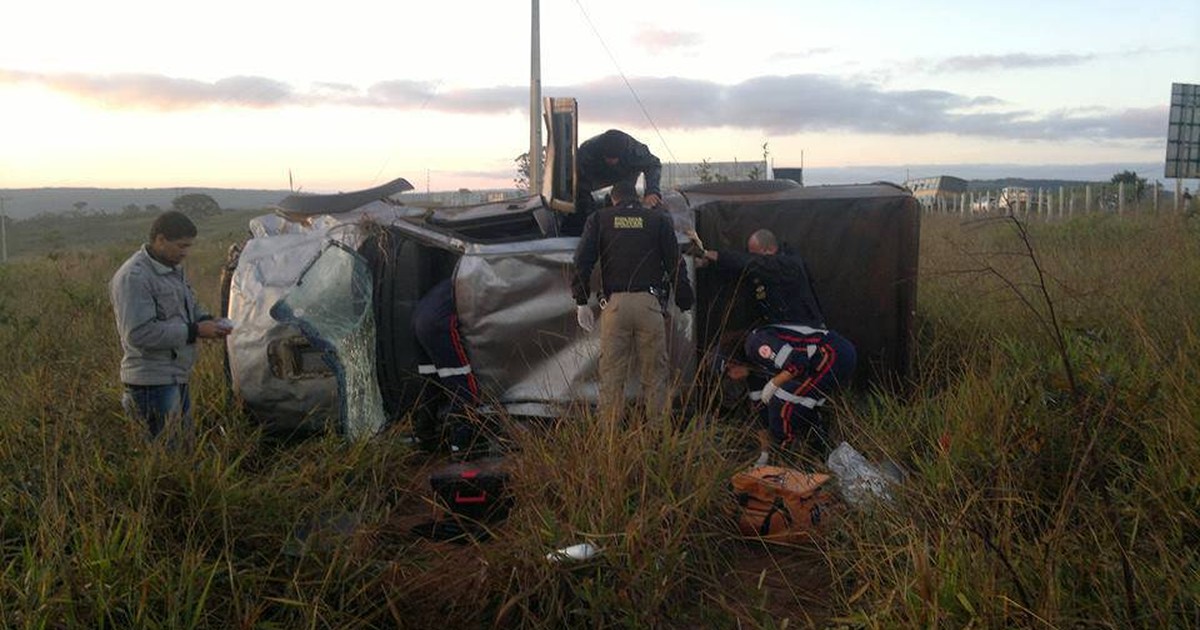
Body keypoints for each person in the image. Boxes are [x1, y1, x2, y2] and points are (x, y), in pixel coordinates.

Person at [572, 180, 692, 420]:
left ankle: (609, 443)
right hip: (650, 305)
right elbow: (675, 265)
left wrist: (581, 301)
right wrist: (685, 304)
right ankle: (658, 438)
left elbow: (581, 261)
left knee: (611, 378)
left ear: (613, 199)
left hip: (615, 307)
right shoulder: (658, 220)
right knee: (655, 378)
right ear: (636, 198)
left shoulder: (599, 219)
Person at [110, 210, 231, 445]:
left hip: (176, 375)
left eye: (189, 247)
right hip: (152, 384)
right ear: (160, 239)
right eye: (181, 246)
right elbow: (139, 334)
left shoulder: (171, 268)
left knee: (183, 451)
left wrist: (208, 320)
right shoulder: (134, 277)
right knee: (165, 458)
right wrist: (195, 331)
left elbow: (188, 304)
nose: (185, 253)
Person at [718, 324, 856, 456]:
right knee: (802, 405)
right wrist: (764, 453)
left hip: (831, 352)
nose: (733, 377)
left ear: (733, 362)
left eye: (729, 371)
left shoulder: (756, 344)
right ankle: (823, 453)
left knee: (783, 401)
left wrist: (774, 383)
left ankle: (785, 455)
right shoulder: (753, 370)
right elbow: (760, 412)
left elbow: (797, 363)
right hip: (822, 359)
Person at [697, 228, 825, 329]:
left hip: (807, 329)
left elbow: (752, 263)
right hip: (783, 328)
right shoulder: (765, 267)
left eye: (755, 254)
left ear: (768, 250)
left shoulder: (788, 264)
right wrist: (708, 263)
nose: (752, 257)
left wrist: (710, 254)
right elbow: (741, 267)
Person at [412, 277, 482, 455]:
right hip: (437, 325)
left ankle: (424, 438)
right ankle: (462, 446)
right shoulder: (480, 277)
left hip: (418, 320)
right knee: (463, 385)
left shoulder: (456, 279)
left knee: (431, 384)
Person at [564, 129, 663, 235]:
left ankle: (625, 233)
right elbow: (576, 178)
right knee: (582, 205)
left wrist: (652, 191)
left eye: (614, 158)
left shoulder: (635, 150)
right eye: (607, 157)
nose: (610, 161)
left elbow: (653, 165)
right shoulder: (588, 150)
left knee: (626, 204)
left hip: (625, 175)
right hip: (593, 176)